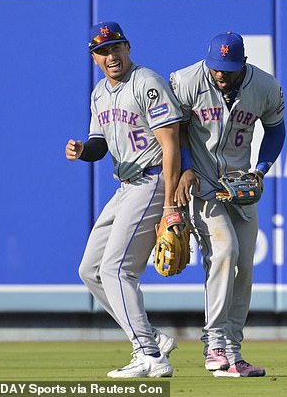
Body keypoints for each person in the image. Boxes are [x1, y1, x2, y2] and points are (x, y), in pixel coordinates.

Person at [65, 21, 183, 378]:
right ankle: (152, 339)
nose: (110, 55)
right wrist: (84, 150)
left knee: (117, 269)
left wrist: (170, 204)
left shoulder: (147, 83)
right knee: (90, 270)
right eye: (102, 51)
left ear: (128, 47)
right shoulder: (100, 93)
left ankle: (149, 355)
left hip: (152, 180)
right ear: (94, 58)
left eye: (116, 47)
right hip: (126, 186)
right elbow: (99, 144)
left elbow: (171, 143)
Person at [170, 32, 285, 377]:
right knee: (225, 252)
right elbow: (174, 131)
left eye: (229, 69)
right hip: (203, 183)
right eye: (217, 68)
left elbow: (276, 131)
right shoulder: (186, 80)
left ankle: (233, 352)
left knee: (246, 267)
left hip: (239, 186)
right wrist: (186, 169)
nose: (221, 75)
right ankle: (215, 343)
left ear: (243, 63)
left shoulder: (265, 86)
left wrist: (261, 170)